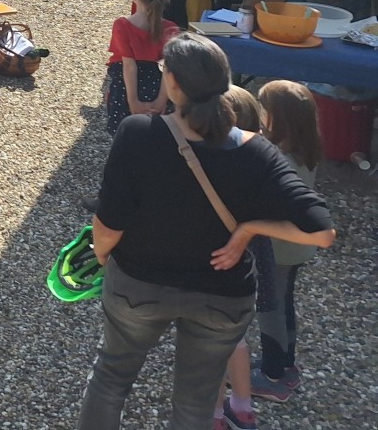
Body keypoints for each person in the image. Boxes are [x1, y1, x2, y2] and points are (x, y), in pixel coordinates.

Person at [76, 34, 334, 430]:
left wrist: (103, 256)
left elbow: (109, 225)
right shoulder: (258, 151)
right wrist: (249, 228)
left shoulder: (138, 133)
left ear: (173, 82)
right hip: (222, 297)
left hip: (139, 285)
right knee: (196, 404)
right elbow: (320, 231)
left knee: (111, 379)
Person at [245, 80, 326, 406]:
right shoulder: (307, 149)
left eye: (265, 110)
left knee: (270, 308)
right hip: (297, 247)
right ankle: (286, 364)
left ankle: (273, 374)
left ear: (280, 118)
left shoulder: (278, 160)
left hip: (277, 248)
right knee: (284, 302)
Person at [105, 0, 180, 133]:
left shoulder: (122, 25)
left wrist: (133, 101)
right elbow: (169, 68)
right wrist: (161, 100)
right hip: (160, 86)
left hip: (127, 88)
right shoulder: (171, 28)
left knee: (125, 139)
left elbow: (129, 67)